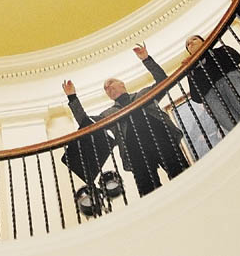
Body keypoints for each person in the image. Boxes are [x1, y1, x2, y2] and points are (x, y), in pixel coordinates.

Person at [63, 44, 188, 197]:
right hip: (135, 151)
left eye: (110, 84)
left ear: (122, 84)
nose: (108, 88)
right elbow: (85, 121)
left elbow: (162, 80)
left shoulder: (143, 93)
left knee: (182, 174)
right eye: (105, 89)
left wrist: (146, 59)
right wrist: (72, 97)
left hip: (161, 138)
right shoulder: (108, 114)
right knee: (148, 191)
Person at [183, 35, 240, 133]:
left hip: (232, 82)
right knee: (237, 128)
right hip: (214, 99)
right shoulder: (192, 70)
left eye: (194, 39)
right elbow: (196, 97)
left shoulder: (220, 50)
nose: (191, 43)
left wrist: (208, 55)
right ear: (189, 52)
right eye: (188, 44)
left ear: (204, 41)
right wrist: (192, 69)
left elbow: (236, 58)